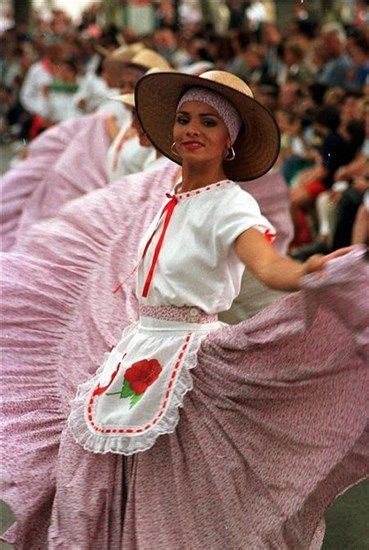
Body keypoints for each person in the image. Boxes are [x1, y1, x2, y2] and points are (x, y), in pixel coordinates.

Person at [1, 71, 368, 548]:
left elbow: (268, 266)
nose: (192, 130)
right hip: (137, 348)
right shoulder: (168, 196)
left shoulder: (232, 205)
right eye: (184, 119)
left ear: (229, 141)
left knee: (178, 493)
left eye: (209, 122)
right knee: (95, 471)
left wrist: (308, 271)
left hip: (189, 357)